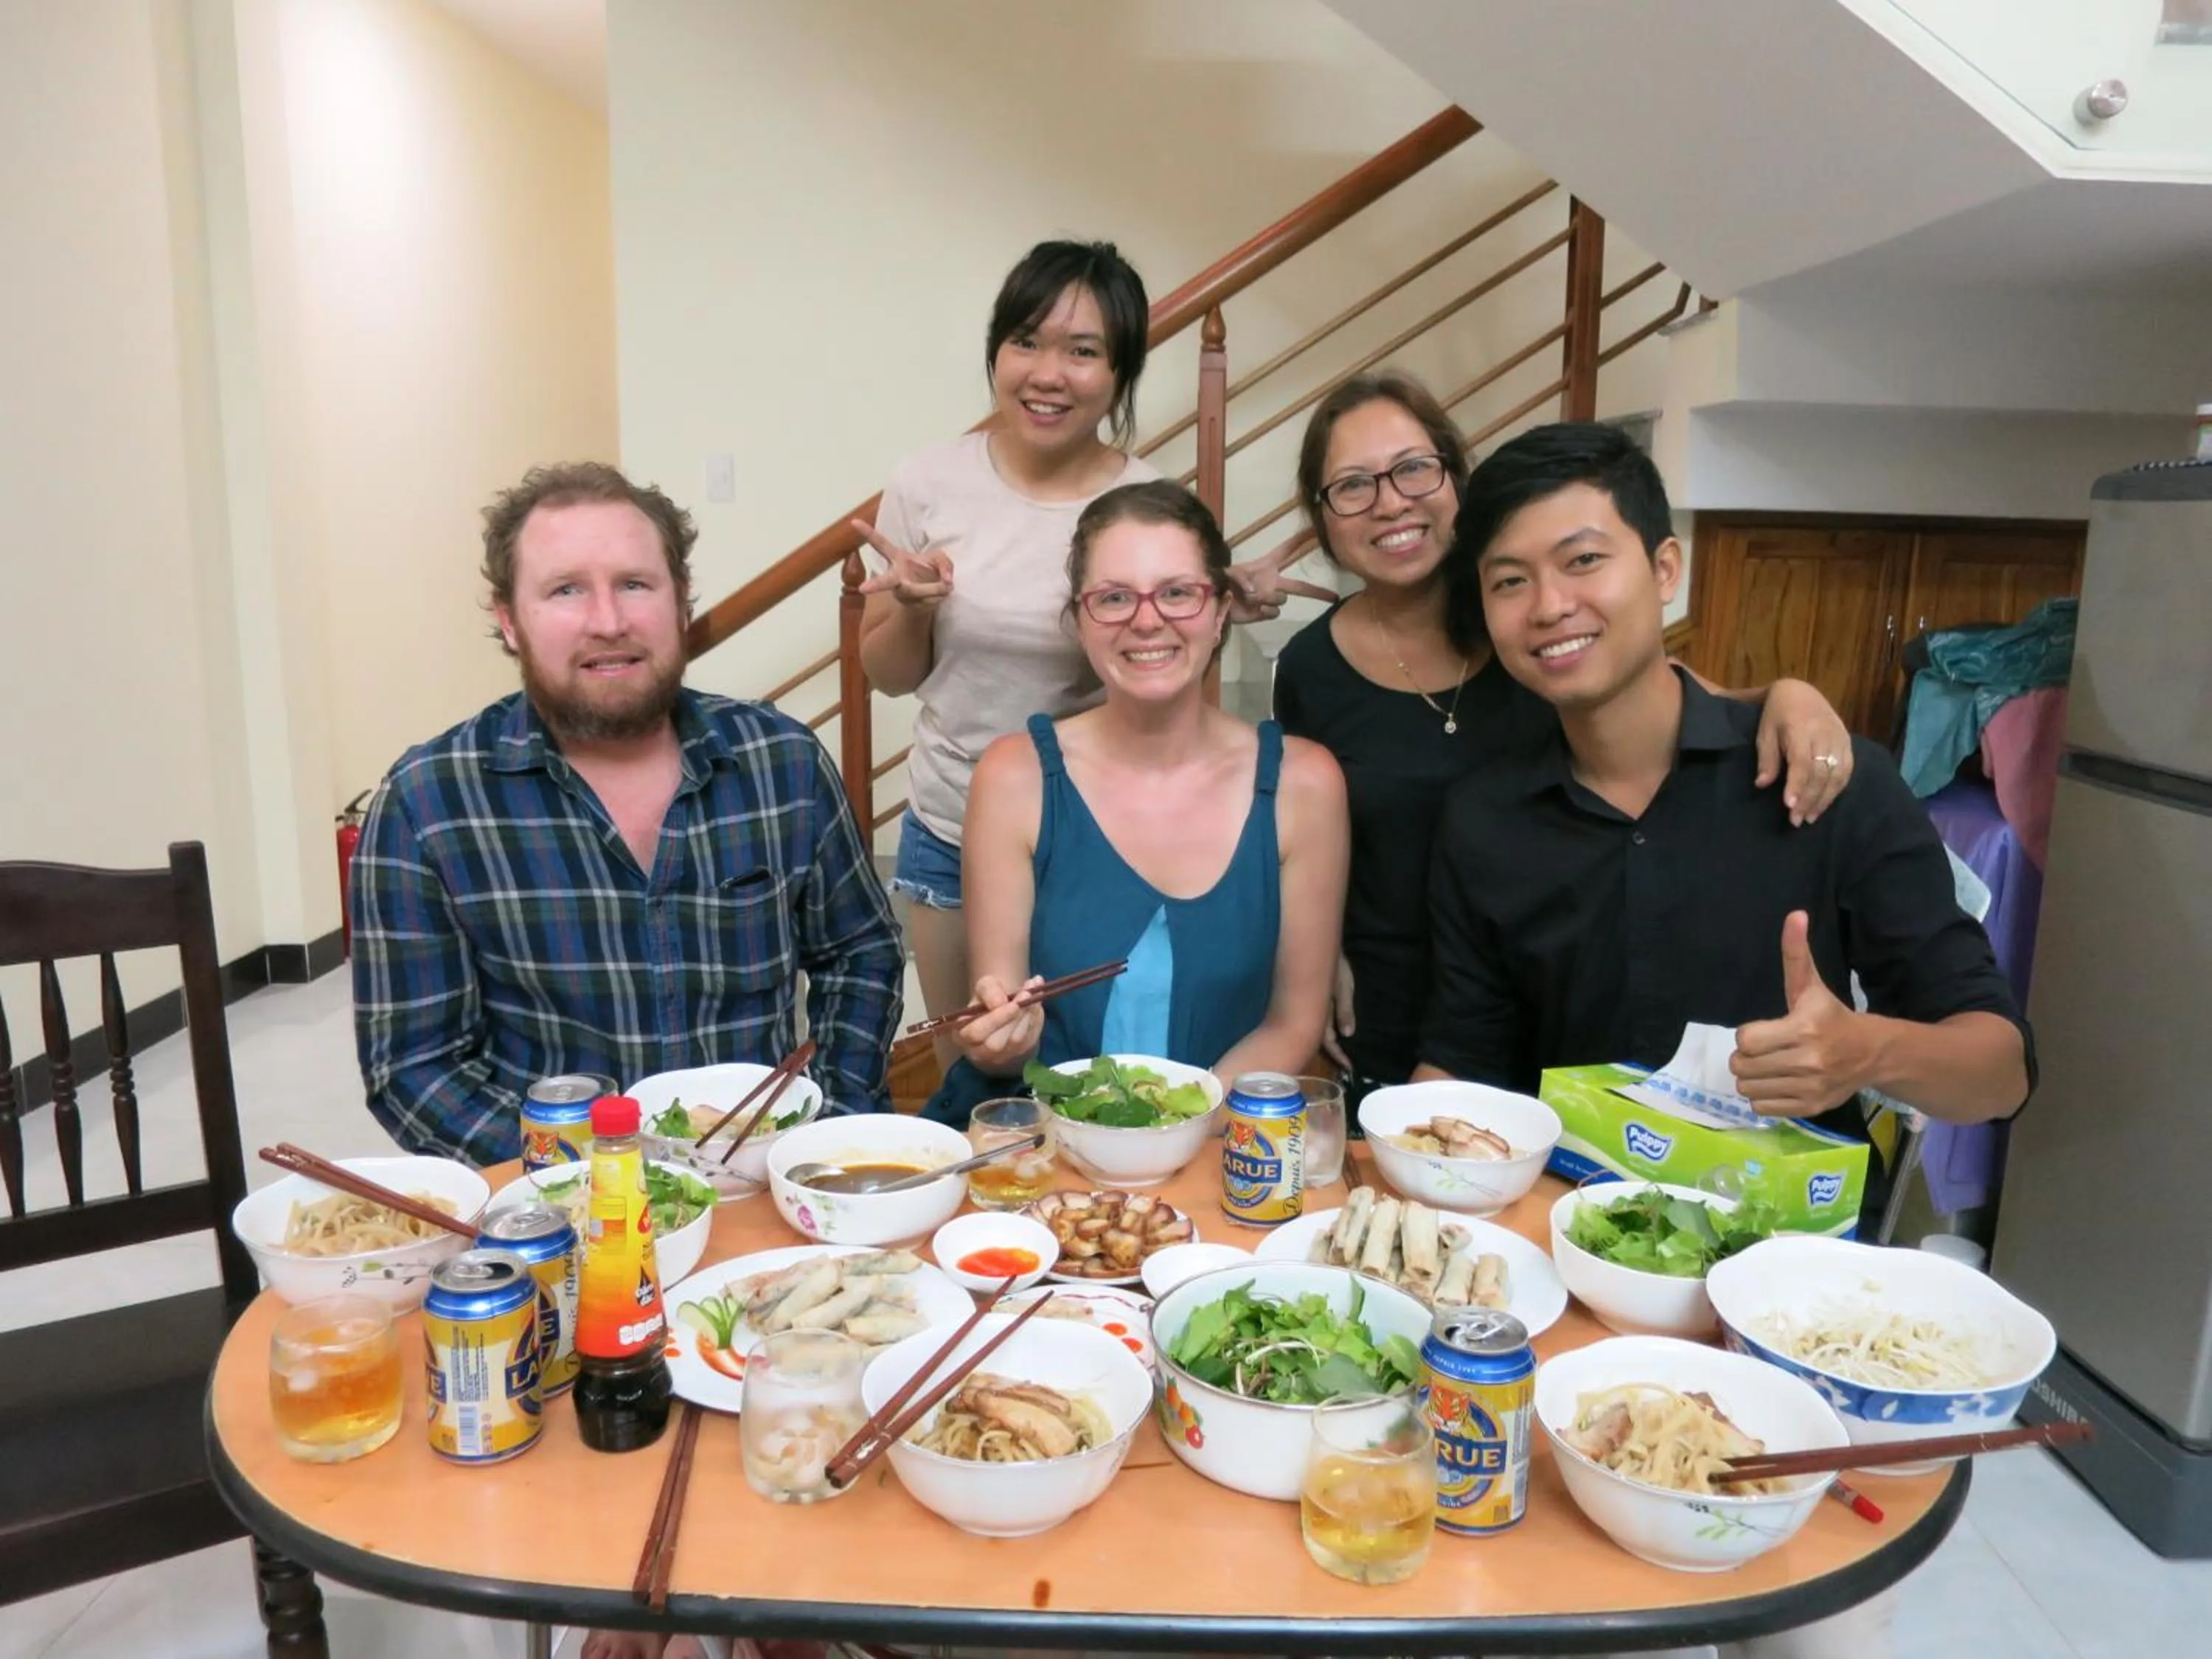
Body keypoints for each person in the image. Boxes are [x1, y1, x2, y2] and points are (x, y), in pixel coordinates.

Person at [1414, 423, 2034, 1659]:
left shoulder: (1825, 782)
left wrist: (1865, 1052)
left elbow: (1999, 1068)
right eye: (1510, 580)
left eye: (1582, 560)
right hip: (1578, 1301)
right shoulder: (1485, 817)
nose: (1550, 606)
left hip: (1797, 1316)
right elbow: (1463, 1070)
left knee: (1813, 1633)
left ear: (1666, 569)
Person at [1271, 372, 1857, 1106]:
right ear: (1322, 515)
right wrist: (1317, 950)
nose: (1390, 502)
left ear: (1456, 479)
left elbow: (1681, 700)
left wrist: (1789, 694)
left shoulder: (1539, 627)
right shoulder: (1311, 669)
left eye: (1413, 469)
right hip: (1392, 995)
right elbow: (1304, 831)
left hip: (1560, 987)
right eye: (1353, 485)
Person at [352, 462, 904, 1168]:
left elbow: (859, 954)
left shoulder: (782, 762)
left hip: (763, 1176)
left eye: (635, 584)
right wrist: (592, 1174)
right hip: (558, 1196)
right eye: (566, 590)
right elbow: (414, 1067)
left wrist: (825, 1121)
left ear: (681, 602)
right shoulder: (428, 802)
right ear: (510, 621)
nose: (609, 622)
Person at [858, 239, 1326, 1072]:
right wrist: (913, 611)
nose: (1049, 374)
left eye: (1083, 351)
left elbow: (1158, 666)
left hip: (1094, 837)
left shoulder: (1140, 502)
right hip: (954, 814)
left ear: (1119, 373)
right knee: (983, 1063)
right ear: (996, 351)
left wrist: (1217, 598)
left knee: (1111, 1052)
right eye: (1026, 341)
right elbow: (888, 675)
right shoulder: (927, 483)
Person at [945, 481, 1347, 1094]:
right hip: (1040, 1132)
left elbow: (1293, 1023)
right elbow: (1001, 1037)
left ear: (1220, 611)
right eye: (1114, 598)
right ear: (1079, 621)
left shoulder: (1304, 783)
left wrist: (1174, 1123)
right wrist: (1001, 1039)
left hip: (1219, 1132)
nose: (1147, 620)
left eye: (1177, 593)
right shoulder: (1014, 776)